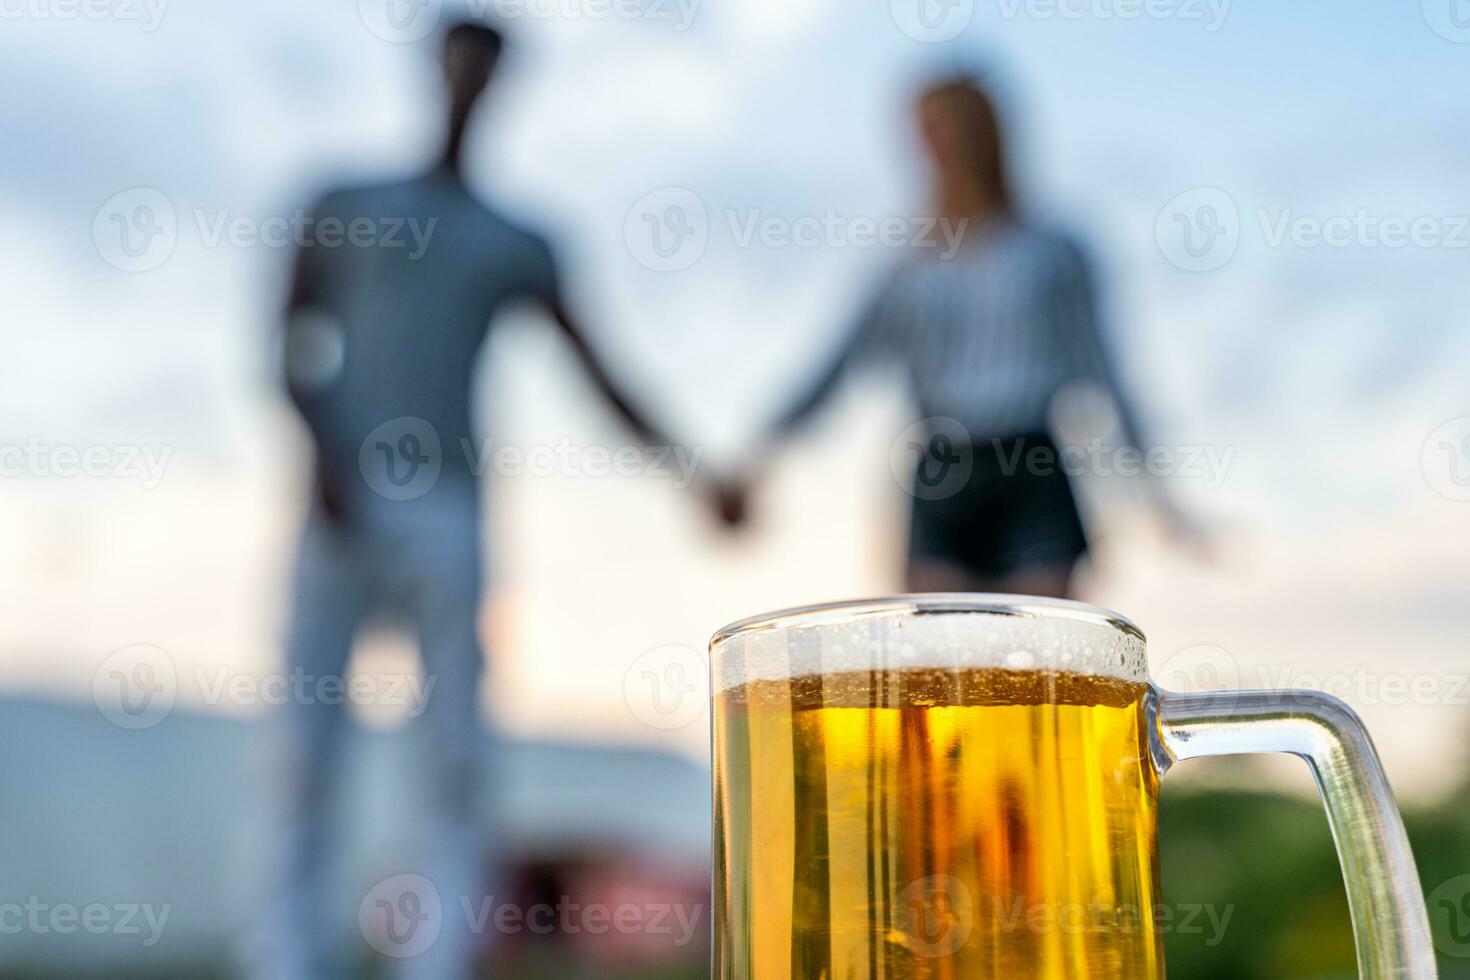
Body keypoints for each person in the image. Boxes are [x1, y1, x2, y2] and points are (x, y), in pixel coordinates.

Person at [252, 21, 721, 980]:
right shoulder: (343, 201)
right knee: (305, 743)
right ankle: (285, 957)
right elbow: (288, 340)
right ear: (433, 66)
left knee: (456, 752)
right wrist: (324, 455)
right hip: (340, 500)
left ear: (503, 82)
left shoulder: (516, 241)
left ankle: (437, 963)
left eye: (487, 65)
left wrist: (695, 475)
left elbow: (599, 370)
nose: (469, 80)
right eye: (458, 58)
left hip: (450, 510)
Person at [743, 74, 1188, 599]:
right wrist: (760, 455)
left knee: (1036, 657)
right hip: (943, 469)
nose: (942, 148)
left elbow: (1105, 369)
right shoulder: (907, 267)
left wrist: (1157, 494)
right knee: (942, 660)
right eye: (928, 133)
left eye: (953, 129)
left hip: (1032, 466)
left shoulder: (1054, 251)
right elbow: (835, 368)